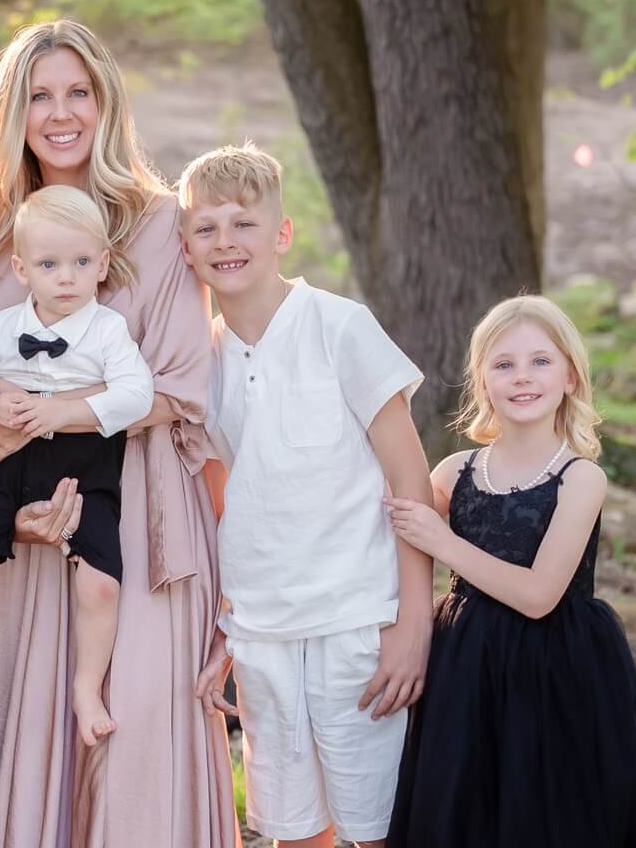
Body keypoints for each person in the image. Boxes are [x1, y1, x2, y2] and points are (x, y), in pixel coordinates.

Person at [0, 20, 239, 848]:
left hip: (141, 515)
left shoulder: (159, 225)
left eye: (77, 92)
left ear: (106, 102)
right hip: (29, 517)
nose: (60, 113)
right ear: (11, 112)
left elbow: (178, 389)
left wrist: (54, 408)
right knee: (38, 729)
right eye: (39, 95)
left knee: (136, 736)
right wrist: (8, 496)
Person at [179, 144, 434, 848]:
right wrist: (225, 629)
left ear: (282, 233)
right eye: (206, 228)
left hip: (356, 621)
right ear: (187, 246)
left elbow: (412, 485)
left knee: (375, 827)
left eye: (243, 223)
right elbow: (226, 502)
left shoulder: (339, 326)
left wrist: (413, 622)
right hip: (263, 629)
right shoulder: (200, 361)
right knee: (294, 833)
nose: (225, 241)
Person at [384, 295, 636, 848]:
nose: (522, 377)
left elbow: (540, 595)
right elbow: (389, 533)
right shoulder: (453, 472)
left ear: (570, 376)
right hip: (466, 665)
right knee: (465, 806)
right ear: (482, 381)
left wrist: (443, 541)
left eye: (540, 361)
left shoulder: (581, 478)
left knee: (549, 812)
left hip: (559, 668)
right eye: (503, 364)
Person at [0, 185, 153, 746]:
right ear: (23, 269)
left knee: (100, 584)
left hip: (85, 465)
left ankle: (86, 686)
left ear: (103, 265)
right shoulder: (3, 327)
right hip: (12, 462)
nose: (66, 278)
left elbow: (137, 395)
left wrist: (61, 409)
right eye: (50, 264)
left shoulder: (107, 330)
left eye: (80, 263)